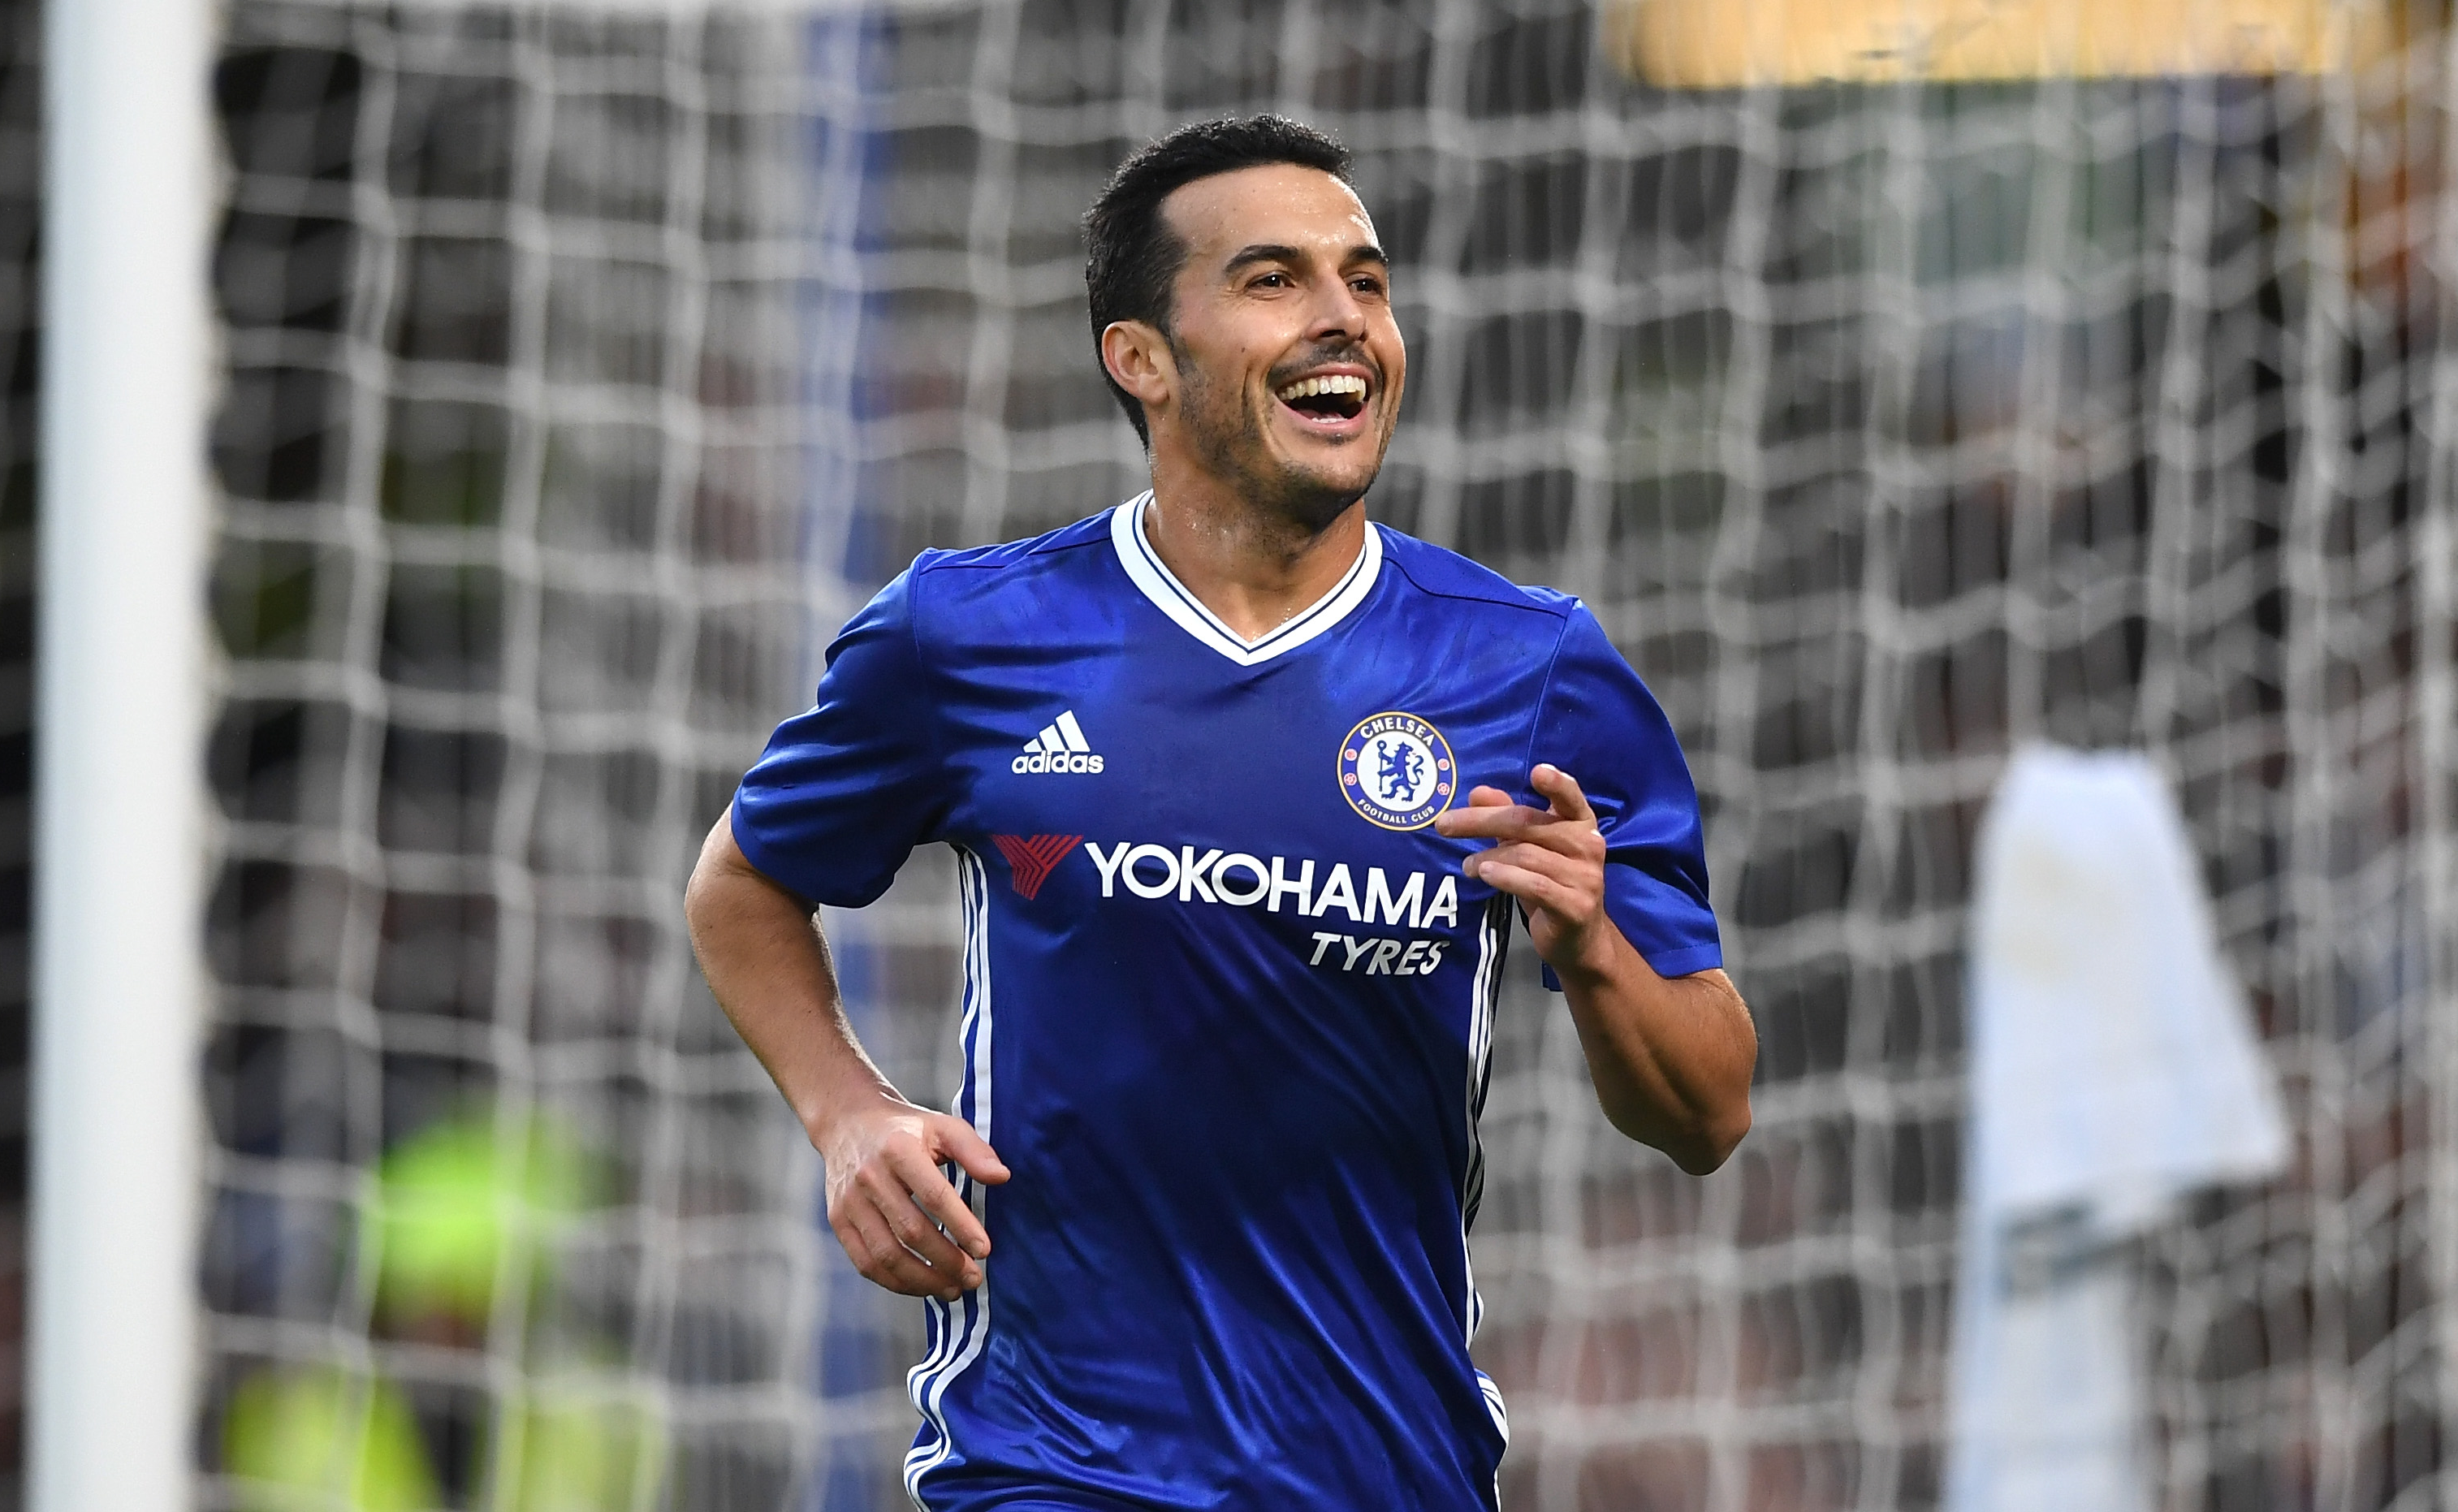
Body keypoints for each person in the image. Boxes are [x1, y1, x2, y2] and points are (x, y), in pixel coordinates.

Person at [685, 114, 1756, 1511]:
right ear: (1141, 357)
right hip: (1050, 1461)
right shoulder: (966, 635)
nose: (1343, 322)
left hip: (1387, 1465)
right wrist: (848, 1116)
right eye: (1273, 280)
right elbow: (741, 882)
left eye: (1364, 282)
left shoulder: (1532, 669)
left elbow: (1710, 1110)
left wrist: (1598, 944)